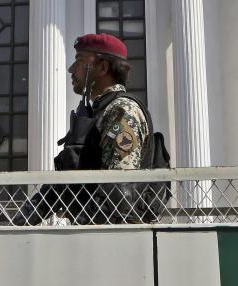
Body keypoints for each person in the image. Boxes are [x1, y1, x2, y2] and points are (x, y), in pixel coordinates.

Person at [14, 33, 150, 224]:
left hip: (116, 236)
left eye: (79, 61)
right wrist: (19, 222)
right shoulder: (94, 113)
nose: (71, 69)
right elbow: (60, 185)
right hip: (91, 233)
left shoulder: (122, 111)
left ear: (102, 68)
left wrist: (78, 225)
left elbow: (119, 190)